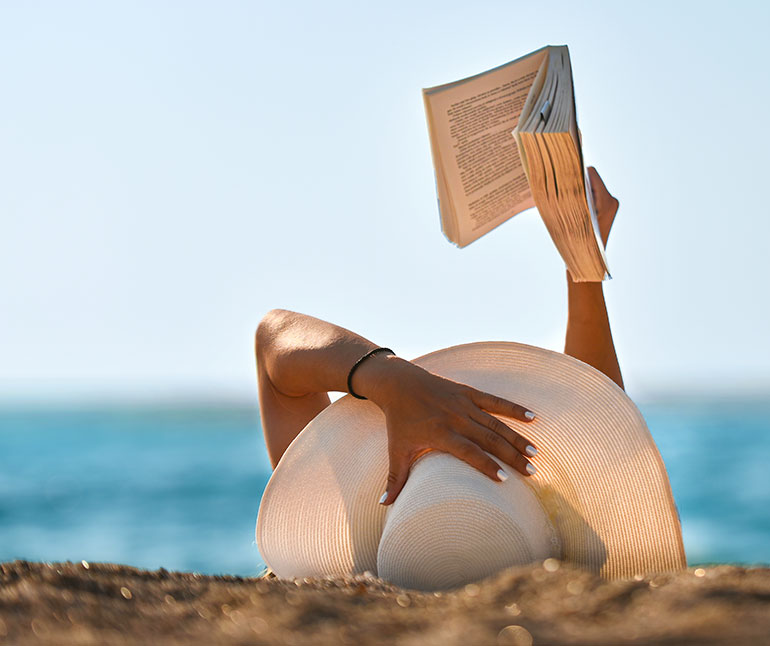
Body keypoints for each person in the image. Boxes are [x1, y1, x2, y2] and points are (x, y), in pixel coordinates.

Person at [254, 167, 622, 505]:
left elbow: (276, 336)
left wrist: (395, 382)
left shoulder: (336, 547)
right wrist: (583, 264)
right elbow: (601, 412)